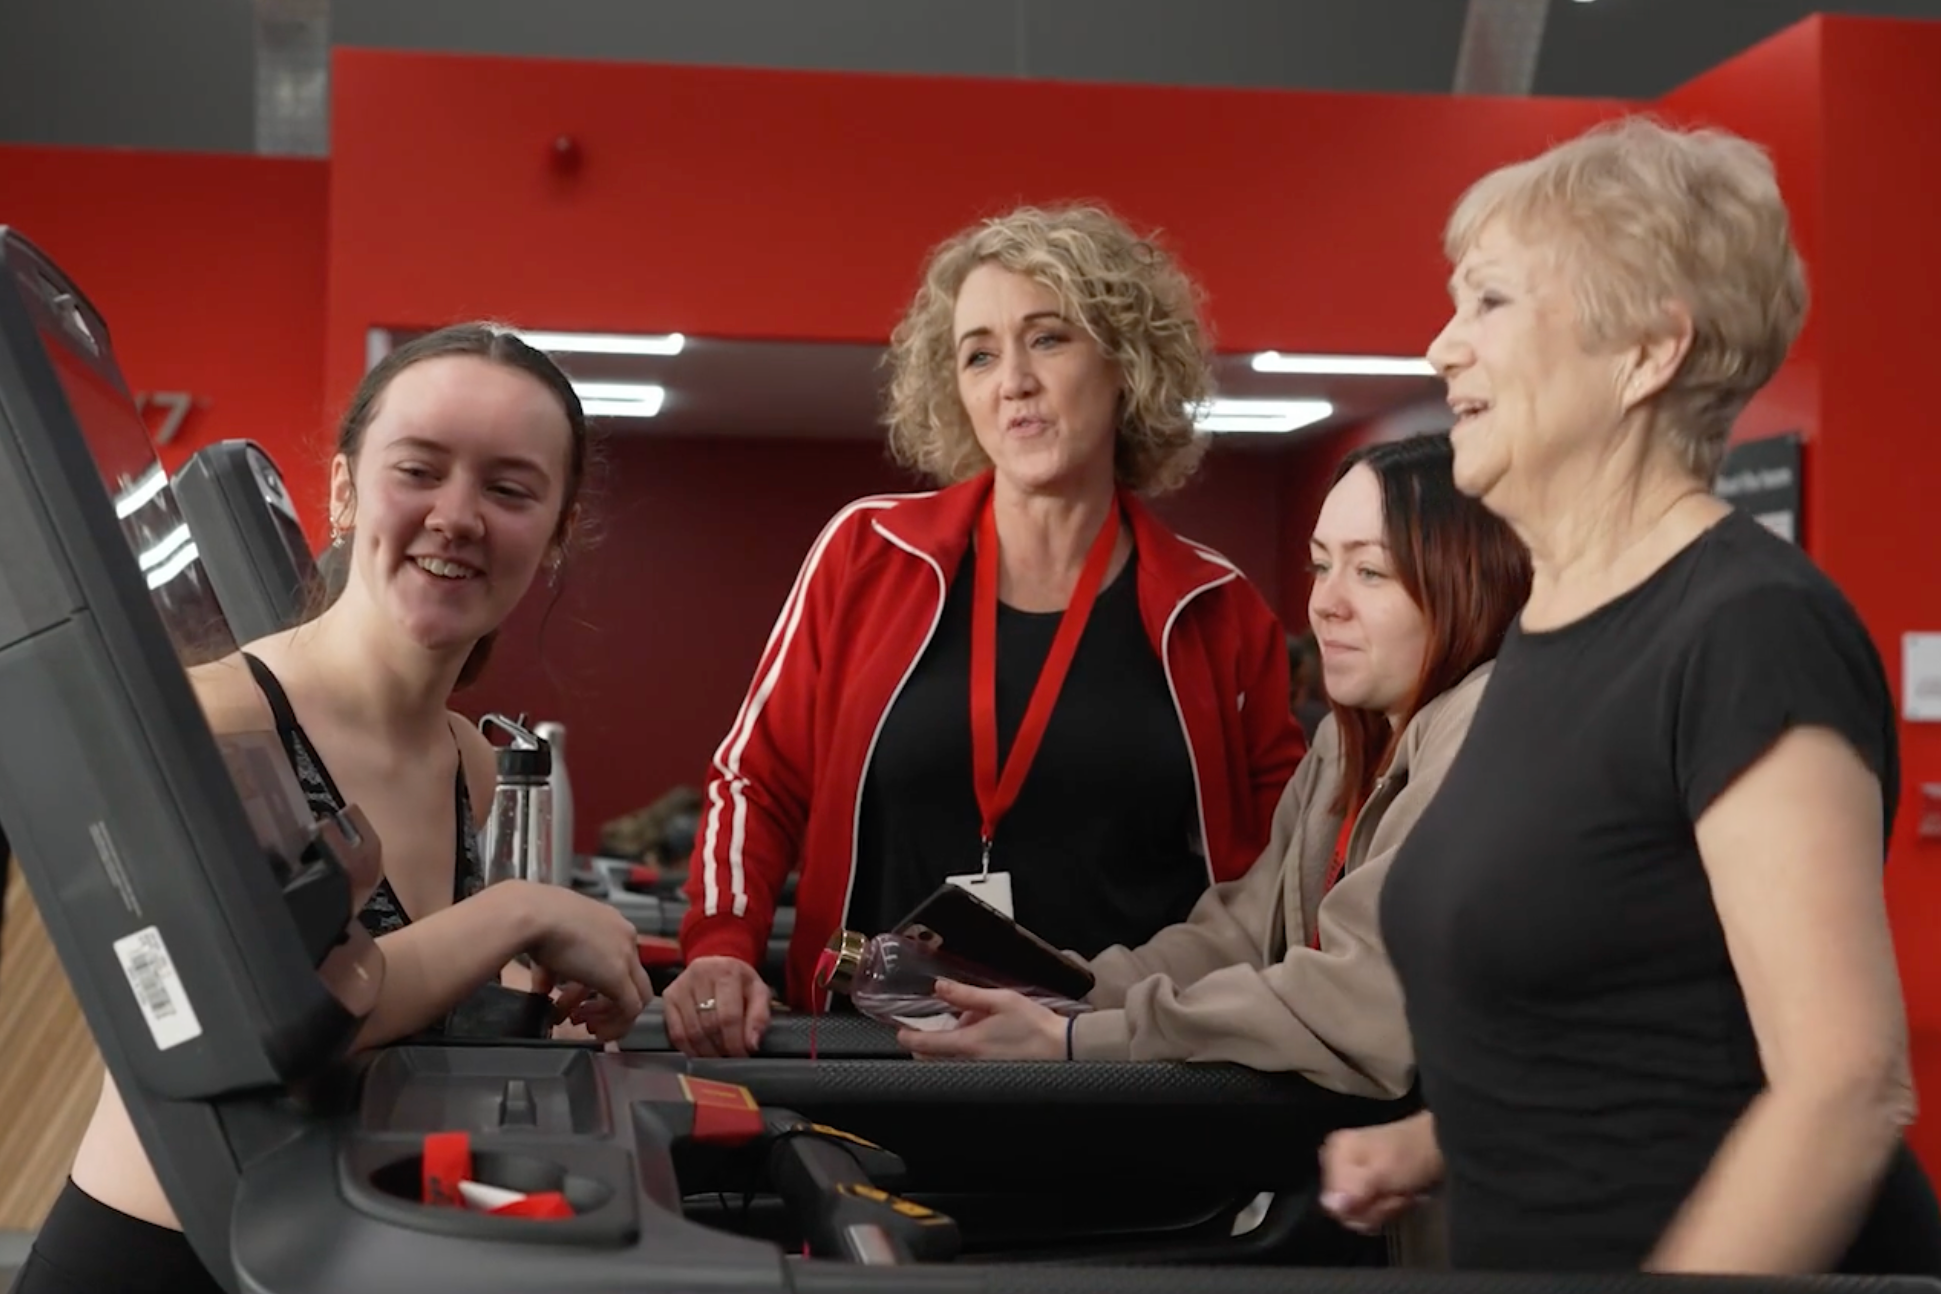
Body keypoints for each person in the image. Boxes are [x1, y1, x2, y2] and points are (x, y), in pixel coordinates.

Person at [1324, 116, 1941, 1275]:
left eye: (1489, 301)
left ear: (1648, 351)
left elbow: (1848, 1086)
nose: (1442, 347)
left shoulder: (1749, 628)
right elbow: (1627, 1020)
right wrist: (1441, 1139)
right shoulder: (1551, 623)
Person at [14, 324, 655, 1294]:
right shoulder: (225, 722)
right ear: (347, 490)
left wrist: (532, 1006)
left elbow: (395, 1008)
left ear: (556, 532)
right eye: (419, 470)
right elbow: (273, 1023)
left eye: (509, 489)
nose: (457, 516)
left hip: (331, 1249)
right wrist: (520, 912)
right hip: (165, 1260)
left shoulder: (469, 762)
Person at [666, 204, 1305, 1057]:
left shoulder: (1218, 608)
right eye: (979, 354)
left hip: (1111, 1068)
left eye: (1047, 339)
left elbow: (1278, 879)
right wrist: (720, 946)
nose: (1013, 381)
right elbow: (755, 780)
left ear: (1127, 362)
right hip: (872, 1059)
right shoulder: (867, 551)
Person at [898, 433, 1528, 1089]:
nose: (1324, 603)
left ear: (1471, 577)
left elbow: (1364, 996)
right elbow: (1237, 937)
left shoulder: (1490, 727)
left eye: (1369, 572)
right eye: (1320, 566)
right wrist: (1057, 987)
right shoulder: (1346, 745)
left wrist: (1076, 1037)